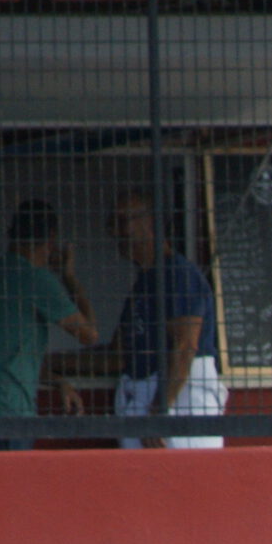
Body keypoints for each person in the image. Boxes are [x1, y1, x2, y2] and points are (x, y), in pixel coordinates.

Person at [0, 199, 99, 448]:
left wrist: (58, 381)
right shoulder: (35, 278)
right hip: (10, 415)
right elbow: (90, 335)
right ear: (51, 238)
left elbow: (9, 360)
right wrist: (69, 278)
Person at [107, 191, 226, 450]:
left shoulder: (177, 273)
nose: (116, 232)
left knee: (187, 475)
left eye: (122, 221)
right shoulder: (143, 282)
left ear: (151, 222)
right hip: (145, 399)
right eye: (112, 224)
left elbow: (186, 345)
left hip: (180, 404)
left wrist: (160, 409)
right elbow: (119, 354)